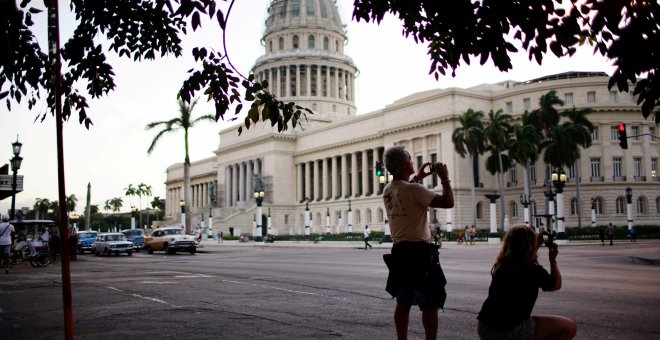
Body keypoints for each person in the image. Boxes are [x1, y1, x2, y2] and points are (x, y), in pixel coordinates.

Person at [382, 145, 454, 340]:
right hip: (420, 253)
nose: (413, 163)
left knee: (403, 302)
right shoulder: (415, 189)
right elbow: (448, 202)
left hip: (399, 252)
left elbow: (404, 190)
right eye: (411, 160)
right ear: (405, 164)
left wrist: (418, 178)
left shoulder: (387, 190)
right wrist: (445, 178)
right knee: (429, 303)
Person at [477, 225, 577, 340]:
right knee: (569, 327)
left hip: (485, 328)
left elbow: (521, 259)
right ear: (530, 245)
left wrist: (535, 247)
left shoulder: (501, 265)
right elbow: (556, 284)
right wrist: (552, 259)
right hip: (509, 331)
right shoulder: (533, 270)